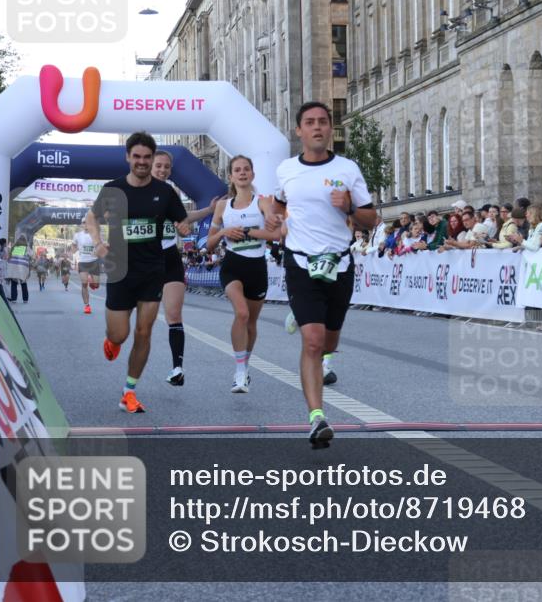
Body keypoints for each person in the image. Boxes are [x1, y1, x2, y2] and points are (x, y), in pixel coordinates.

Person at [266, 102, 377, 447]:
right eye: (310, 122)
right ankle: (317, 418)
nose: (317, 127)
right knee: (313, 342)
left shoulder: (347, 168)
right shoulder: (286, 169)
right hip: (300, 262)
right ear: (299, 130)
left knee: (329, 343)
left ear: (330, 128)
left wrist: (349, 206)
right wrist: (275, 218)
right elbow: (279, 203)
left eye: (323, 122)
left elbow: (371, 219)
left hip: (339, 264)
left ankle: (300, 315)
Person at [85, 131, 190, 414]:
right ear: (128, 157)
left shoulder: (165, 192)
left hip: (152, 270)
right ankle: (112, 340)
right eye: (137, 156)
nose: (142, 162)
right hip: (119, 270)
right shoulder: (113, 189)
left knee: (144, 332)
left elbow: (182, 222)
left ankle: (129, 391)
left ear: (152, 158)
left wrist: (184, 227)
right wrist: (98, 242)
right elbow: (91, 217)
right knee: (120, 334)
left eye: (147, 157)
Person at [207, 155, 278, 393]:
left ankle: (245, 366)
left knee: (251, 322)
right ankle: (239, 372)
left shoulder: (263, 202)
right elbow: (209, 244)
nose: (242, 173)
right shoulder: (222, 206)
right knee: (242, 313)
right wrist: (224, 232)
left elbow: (275, 235)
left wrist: (249, 231)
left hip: (257, 267)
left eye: (246, 169)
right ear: (231, 176)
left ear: (252, 174)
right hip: (233, 265)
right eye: (237, 170)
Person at [151, 149, 221, 387]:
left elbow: (183, 218)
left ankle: (177, 368)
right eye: (158, 166)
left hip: (170, 257)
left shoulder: (171, 193)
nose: (162, 170)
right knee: (141, 319)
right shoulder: (135, 191)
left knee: (173, 315)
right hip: (144, 260)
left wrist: (209, 210)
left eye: (166, 167)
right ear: (149, 166)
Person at [72, 224, 102, 313]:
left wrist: (97, 251)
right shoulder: (77, 235)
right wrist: (73, 249)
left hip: (94, 261)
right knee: (84, 284)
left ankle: (92, 281)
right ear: (82, 225)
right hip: (83, 262)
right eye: (83, 222)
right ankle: (87, 306)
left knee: (96, 285)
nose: (85, 224)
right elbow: (73, 247)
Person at [5, 236, 31, 303]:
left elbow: (9, 257)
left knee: (14, 283)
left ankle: (14, 299)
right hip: (23, 268)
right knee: (23, 283)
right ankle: (25, 299)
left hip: (13, 267)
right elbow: (31, 256)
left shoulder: (14, 248)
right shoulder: (27, 248)